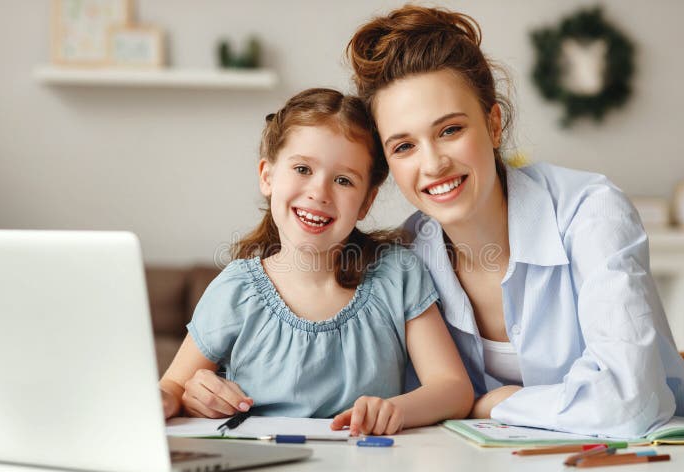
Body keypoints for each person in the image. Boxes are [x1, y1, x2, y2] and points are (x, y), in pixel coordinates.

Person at [347, 6, 684, 438]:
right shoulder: (408, 252)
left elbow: (629, 402)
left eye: (450, 130)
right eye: (404, 147)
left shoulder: (590, 212)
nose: (433, 164)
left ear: (493, 124)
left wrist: (499, 403)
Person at [158, 88, 473, 436]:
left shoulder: (397, 274)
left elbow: (454, 389)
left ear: (366, 202)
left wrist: (397, 409)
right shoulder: (236, 290)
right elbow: (172, 388)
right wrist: (187, 397)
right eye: (303, 169)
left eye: (343, 180)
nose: (319, 193)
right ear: (267, 176)